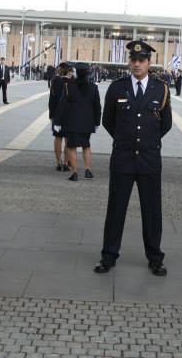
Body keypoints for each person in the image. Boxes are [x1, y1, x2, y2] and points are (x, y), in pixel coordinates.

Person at [96, 40, 173, 276]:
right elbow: (108, 121)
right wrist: (125, 139)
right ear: (129, 62)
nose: (137, 64)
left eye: (142, 60)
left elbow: (166, 123)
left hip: (149, 159)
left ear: (149, 63)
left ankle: (155, 257)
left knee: (152, 210)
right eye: (134, 60)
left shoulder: (160, 89)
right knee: (116, 209)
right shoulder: (117, 88)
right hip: (123, 158)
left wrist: (148, 141)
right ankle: (109, 256)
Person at [54, 64, 102, 181]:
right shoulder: (93, 87)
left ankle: (75, 172)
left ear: (77, 73)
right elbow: (97, 107)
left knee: (71, 146)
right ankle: (88, 170)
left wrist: (58, 122)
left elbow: (62, 105)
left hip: (72, 121)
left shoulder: (69, 86)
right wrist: (97, 122)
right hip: (87, 122)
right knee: (86, 145)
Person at [49, 63, 71, 171]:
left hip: (57, 113)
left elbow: (51, 99)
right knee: (68, 138)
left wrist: (51, 115)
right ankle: (66, 162)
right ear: (68, 71)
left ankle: (58, 162)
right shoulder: (71, 82)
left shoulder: (55, 81)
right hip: (68, 113)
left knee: (58, 137)